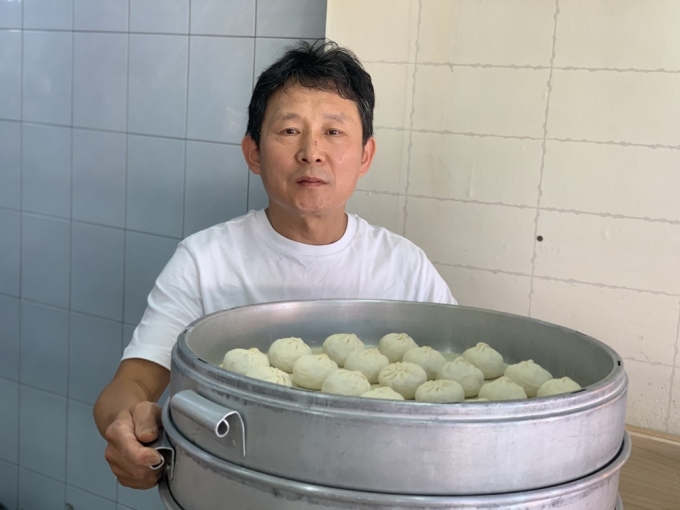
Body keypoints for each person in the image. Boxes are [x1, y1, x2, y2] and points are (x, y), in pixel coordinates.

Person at [93, 40, 456, 490]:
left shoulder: (404, 266)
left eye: (334, 132)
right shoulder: (206, 260)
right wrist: (126, 425)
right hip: (236, 490)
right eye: (289, 131)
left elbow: (454, 394)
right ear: (253, 153)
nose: (311, 152)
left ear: (365, 155)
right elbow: (131, 382)